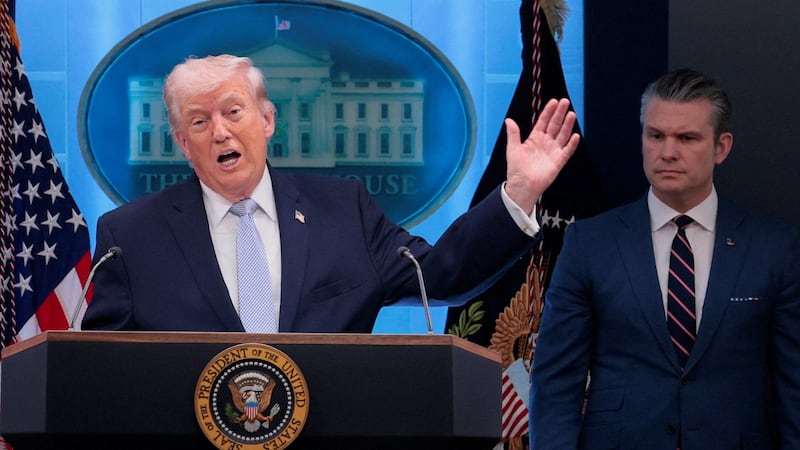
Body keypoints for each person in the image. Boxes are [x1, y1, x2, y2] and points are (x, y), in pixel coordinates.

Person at [81, 54, 579, 333]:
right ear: (183, 144)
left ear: (268, 119)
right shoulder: (130, 237)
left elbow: (443, 275)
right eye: (199, 121)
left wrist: (517, 193)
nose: (220, 132)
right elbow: (103, 369)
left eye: (234, 112)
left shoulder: (345, 211)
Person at [529, 68, 800, 449]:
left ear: (721, 147)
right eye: (655, 136)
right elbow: (556, 382)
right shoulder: (590, 244)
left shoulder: (774, 247)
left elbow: (794, 387)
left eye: (687, 138)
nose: (668, 152)